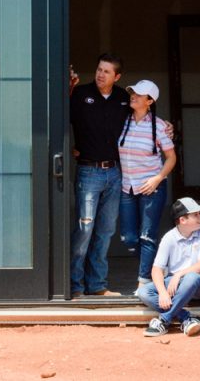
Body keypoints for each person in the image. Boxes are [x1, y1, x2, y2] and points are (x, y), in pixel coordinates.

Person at [68, 54, 129, 297]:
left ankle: (97, 285)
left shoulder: (124, 98)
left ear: (117, 77)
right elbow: (59, 120)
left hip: (115, 172)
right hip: (88, 170)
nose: (100, 74)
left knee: (105, 231)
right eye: (99, 69)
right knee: (84, 229)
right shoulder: (81, 94)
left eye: (106, 71)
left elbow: (144, 117)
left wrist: (165, 126)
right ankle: (74, 285)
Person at [117, 80, 176, 294]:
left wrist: (158, 178)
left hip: (152, 187)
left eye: (139, 94)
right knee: (129, 238)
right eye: (132, 92)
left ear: (149, 101)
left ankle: (144, 281)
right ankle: (157, 267)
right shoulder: (122, 121)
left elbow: (171, 158)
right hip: (127, 187)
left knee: (147, 236)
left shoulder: (160, 126)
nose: (133, 96)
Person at [137, 197, 200, 337]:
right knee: (143, 292)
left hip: (196, 286)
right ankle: (186, 317)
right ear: (183, 220)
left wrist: (178, 275)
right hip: (175, 287)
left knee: (192, 277)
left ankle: (164, 320)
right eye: (196, 214)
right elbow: (157, 269)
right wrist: (163, 292)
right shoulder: (169, 238)